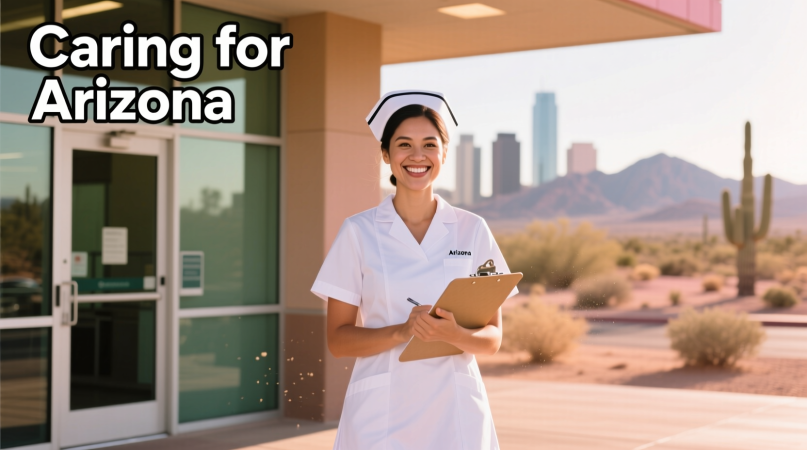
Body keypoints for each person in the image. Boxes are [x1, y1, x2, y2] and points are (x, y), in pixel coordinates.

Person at [311, 90, 517, 450]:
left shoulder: (472, 230)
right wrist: (403, 331)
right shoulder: (359, 232)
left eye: (429, 145)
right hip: (381, 414)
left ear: (444, 153)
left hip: (456, 411)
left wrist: (455, 333)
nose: (417, 156)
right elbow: (338, 341)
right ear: (386, 154)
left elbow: (492, 339)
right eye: (404, 144)